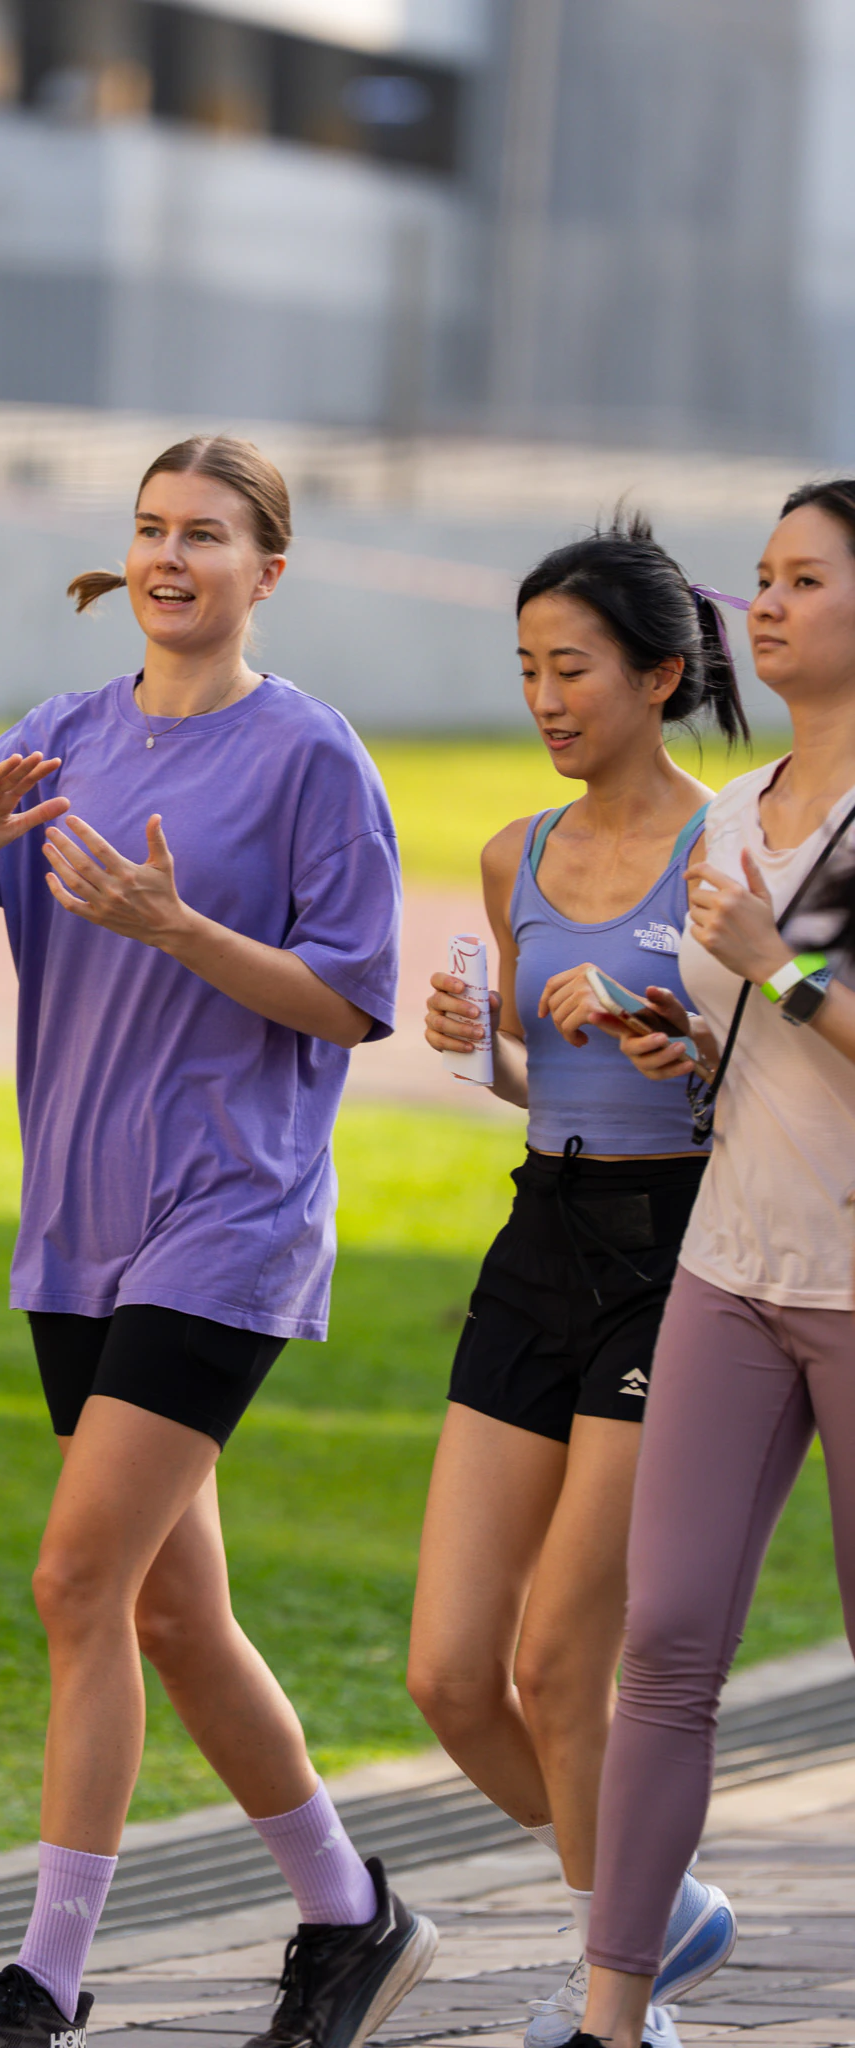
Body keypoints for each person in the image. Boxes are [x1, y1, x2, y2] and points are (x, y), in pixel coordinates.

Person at [0, 435, 437, 2048]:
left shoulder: (313, 757)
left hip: (231, 1218)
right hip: (78, 1233)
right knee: (174, 1615)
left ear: (268, 572)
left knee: (76, 1577)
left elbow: (353, 1000)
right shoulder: (61, 740)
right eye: (154, 529)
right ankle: (352, 1915)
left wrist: (182, 929)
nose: (173, 557)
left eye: (211, 536)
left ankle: (43, 1978)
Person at [409, 514, 746, 2048]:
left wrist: (665, 1031)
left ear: (659, 674)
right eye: (528, 670)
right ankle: (655, 1907)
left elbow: (757, 1079)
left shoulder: (727, 848)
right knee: (450, 1674)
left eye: (575, 670)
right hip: (540, 1237)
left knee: (561, 1659)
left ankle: (625, 1992)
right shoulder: (514, 856)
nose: (546, 700)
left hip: (679, 1252)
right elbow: (537, 1085)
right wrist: (474, 1043)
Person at [573, 483, 855, 2048]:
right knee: (666, 1640)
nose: (767, 602)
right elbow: (749, 1041)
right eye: (761, 576)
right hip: (732, 1273)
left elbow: (800, 992)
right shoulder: (735, 816)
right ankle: (616, 2016)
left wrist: (779, 971)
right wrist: (686, 1035)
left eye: (805, 579)